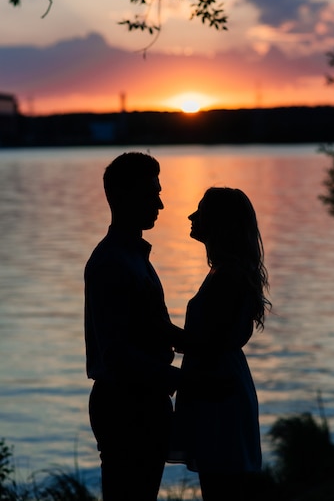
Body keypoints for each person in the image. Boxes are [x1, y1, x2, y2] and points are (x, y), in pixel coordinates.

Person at [84, 152, 183, 501]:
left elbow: (157, 328)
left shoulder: (134, 258)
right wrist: (185, 381)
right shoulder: (112, 262)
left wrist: (211, 346)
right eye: (150, 194)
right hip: (126, 406)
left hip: (145, 400)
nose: (160, 204)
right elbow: (117, 354)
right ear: (124, 197)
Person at [169, 187, 271, 501]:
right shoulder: (225, 272)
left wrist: (152, 325)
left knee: (221, 487)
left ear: (220, 222)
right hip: (219, 382)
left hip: (219, 389)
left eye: (200, 210)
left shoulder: (228, 276)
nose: (191, 216)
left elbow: (205, 343)